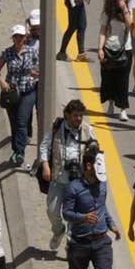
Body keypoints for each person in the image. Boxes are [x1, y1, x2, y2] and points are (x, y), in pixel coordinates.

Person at [64, 147, 121, 269]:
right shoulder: (74, 188)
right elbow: (66, 213)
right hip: (79, 243)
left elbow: (102, 207)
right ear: (88, 166)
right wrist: (82, 217)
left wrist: (111, 224)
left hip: (101, 240)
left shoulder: (102, 185)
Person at [39, 98, 96, 250]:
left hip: (78, 182)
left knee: (74, 215)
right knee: (52, 211)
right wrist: (45, 166)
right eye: (75, 115)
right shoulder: (56, 127)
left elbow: (97, 155)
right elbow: (44, 146)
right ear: (67, 115)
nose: (78, 119)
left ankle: (71, 244)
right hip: (58, 178)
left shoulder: (87, 130)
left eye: (80, 116)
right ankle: (59, 231)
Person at [0, 25, 39, 168]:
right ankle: (15, 150)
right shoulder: (7, 53)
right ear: (13, 38)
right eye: (16, 36)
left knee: (21, 121)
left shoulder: (31, 52)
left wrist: (35, 74)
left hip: (27, 92)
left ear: (25, 38)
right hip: (12, 93)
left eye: (21, 36)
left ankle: (20, 152)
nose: (19, 39)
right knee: (14, 123)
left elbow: (38, 68)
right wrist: (1, 81)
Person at [98, 0, 133, 122]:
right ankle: (111, 104)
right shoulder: (108, 13)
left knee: (123, 80)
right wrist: (100, 49)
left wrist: (124, 9)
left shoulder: (128, 12)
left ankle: (123, 109)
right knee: (109, 78)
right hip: (109, 48)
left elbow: (130, 25)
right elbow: (102, 31)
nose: (122, 0)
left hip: (125, 49)